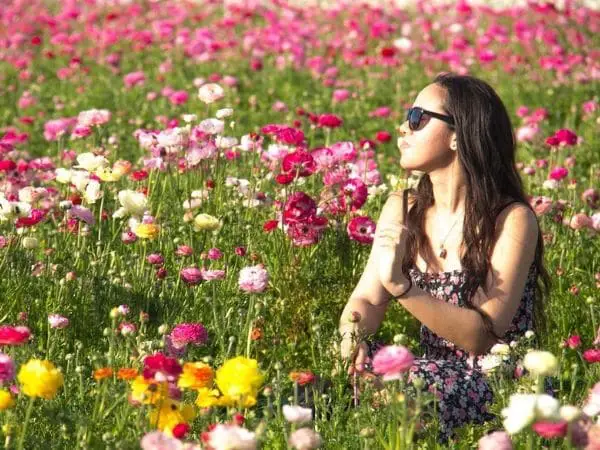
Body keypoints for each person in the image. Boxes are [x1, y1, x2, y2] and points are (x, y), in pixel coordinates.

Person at [338, 72, 551, 441]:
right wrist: (351, 338)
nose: (403, 127)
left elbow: (481, 335)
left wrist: (402, 288)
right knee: (355, 375)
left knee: (403, 386)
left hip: (497, 380)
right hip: (429, 370)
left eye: (418, 118)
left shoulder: (512, 219)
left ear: (458, 135)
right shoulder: (402, 207)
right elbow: (367, 298)